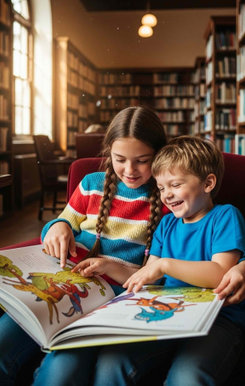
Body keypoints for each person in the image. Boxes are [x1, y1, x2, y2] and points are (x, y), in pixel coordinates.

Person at [0, 106, 168, 386]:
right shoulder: (91, 184)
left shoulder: (167, 198)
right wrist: (58, 227)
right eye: (120, 159)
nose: (129, 170)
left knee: (61, 373)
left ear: (159, 155)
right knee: (5, 340)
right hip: (63, 283)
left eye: (142, 160)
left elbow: (159, 274)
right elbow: (60, 223)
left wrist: (111, 266)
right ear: (108, 153)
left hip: (111, 299)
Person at [107, 135, 245, 386]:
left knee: (187, 377)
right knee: (113, 362)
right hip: (168, 314)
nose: (166, 195)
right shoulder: (167, 224)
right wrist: (108, 267)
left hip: (217, 320)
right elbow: (151, 276)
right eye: (160, 188)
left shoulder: (224, 216)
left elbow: (220, 273)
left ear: (208, 183)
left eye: (175, 185)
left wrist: (165, 265)